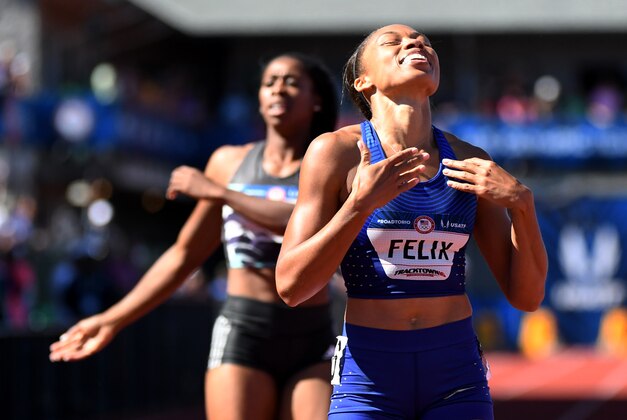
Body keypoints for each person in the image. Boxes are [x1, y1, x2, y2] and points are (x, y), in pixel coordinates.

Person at [276, 24, 548, 419]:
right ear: (363, 81)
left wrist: (523, 204)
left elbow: (527, 298)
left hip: (455, 373)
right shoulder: (336, 153)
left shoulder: (469, 159)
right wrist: (359, 205)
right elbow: (291, 286)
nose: (415, 44)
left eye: (423, 42)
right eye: (394, 42)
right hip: (369, 376)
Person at [49, 52, 339, 420]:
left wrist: (223, 193)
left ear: (317, 99)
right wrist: (112, 319)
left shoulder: (330, 163)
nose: (278, 89)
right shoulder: (229, 163)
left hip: (312, 337)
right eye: (269, 82)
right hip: (244, 332)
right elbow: (184, 254)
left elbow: (309, 224)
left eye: (292, 82)